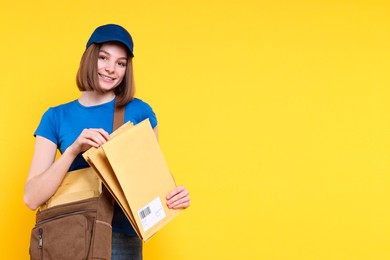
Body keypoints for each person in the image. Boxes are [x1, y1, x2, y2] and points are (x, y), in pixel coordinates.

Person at [24, 24, 190, 259]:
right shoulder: (55, 117)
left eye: (121, 63)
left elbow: (151, 183)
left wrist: (173, 196)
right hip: (69, 237)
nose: (111, 69)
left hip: (121, 240)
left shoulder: (140, 112)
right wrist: (73, 151)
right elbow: (31, 198)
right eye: (104, 58)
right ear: (90, 57)